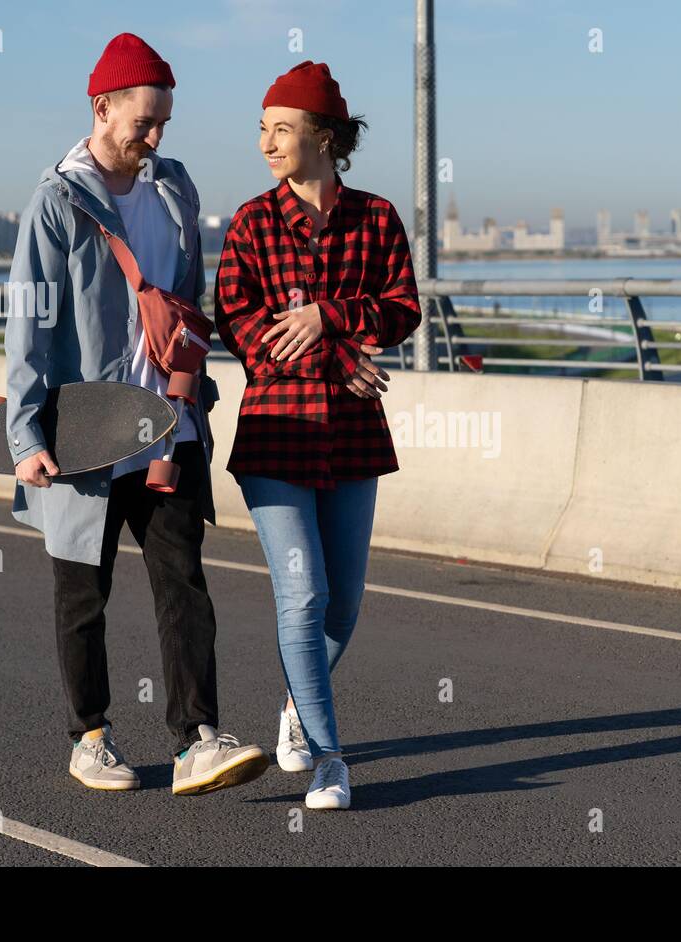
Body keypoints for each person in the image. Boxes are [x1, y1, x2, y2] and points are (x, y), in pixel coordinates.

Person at [5, 32, 268, 796]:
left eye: (163, 125)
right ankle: (90, 737)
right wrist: (26, 435)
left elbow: (185, 302)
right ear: (102, 108)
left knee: (183, 580)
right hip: (83, 429)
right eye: (142, 123)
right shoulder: (56, 201)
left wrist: (192, 384)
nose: (152, 138)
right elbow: (31, 324)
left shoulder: (172, 187)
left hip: (168, 423)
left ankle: (197, 741)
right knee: (83, 592)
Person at [214, 60, 421, 810]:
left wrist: (327, 316)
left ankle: (298, 708)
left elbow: (403, 309)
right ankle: (330, 759)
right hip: (275, 435)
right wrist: (336, 350)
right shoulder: (250, 223)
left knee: (344, 605)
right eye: (263, 129)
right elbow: (244, 328)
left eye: (281, 128)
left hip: (353, 435)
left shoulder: (377, 217)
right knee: (301, 596)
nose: (266, 141)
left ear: (323, 136)